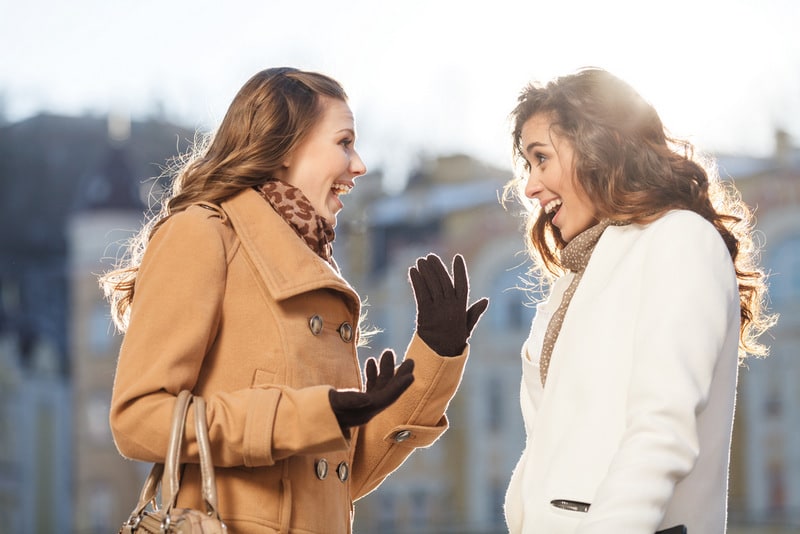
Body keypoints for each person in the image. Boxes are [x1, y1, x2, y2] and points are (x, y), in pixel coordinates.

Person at [101, 67, 488, 534]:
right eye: (344, 143)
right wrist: (308, 414)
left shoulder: (315, 265)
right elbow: (136, 419)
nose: (359, 164)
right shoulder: (203, 233)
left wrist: (434, 355)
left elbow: (339, 477)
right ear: (285, 149)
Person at [502, 67, 776, 533]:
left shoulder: (681, 239)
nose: (530, 186)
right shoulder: (577, 277)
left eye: (541, 159)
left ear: (598, 147)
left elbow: (661, 430)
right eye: (528, 166)